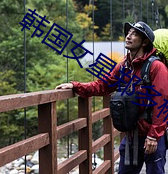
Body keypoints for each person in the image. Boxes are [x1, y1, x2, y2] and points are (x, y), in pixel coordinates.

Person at [55, 21, 168, 174]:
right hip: (131, 134)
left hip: (151, 135)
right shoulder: (123, 66)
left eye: (134, 34)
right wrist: (76, 86)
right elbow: (103, 85)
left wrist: (154, 136)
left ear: (145, 42)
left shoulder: (156, 67)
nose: (128, 36)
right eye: (128, 33)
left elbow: (162, 103)